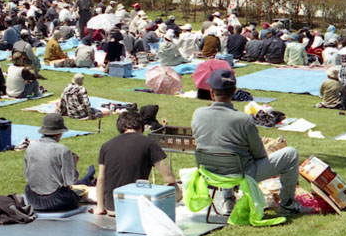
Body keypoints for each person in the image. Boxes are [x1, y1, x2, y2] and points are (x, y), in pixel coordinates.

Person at [191, 68, 309, 215]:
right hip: (242, 172)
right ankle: (287, 204)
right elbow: (259, 154)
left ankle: (229, 199)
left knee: (224, 151)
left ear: (211, 92)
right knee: (290, 154)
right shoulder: (243, 119)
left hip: (209, 171)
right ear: (234, 91)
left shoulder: (198, 114)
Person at [93, 110, 181, 216]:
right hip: (136, 208)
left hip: (112, 208)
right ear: (141, 126)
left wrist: (100, 207)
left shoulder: (106, 146)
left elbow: (101, 179)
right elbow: (168, 177)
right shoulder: (149, 144)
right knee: (176, 187)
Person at [24, 112, 95, 212]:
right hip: (56, 201)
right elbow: (70, 181)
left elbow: (27, 176)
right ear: (60, 133)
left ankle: (88, 177)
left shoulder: (30, 148)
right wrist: (73, 163)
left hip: (33, 199)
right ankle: (88, 177)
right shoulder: (63, 150)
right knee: (75, 191)